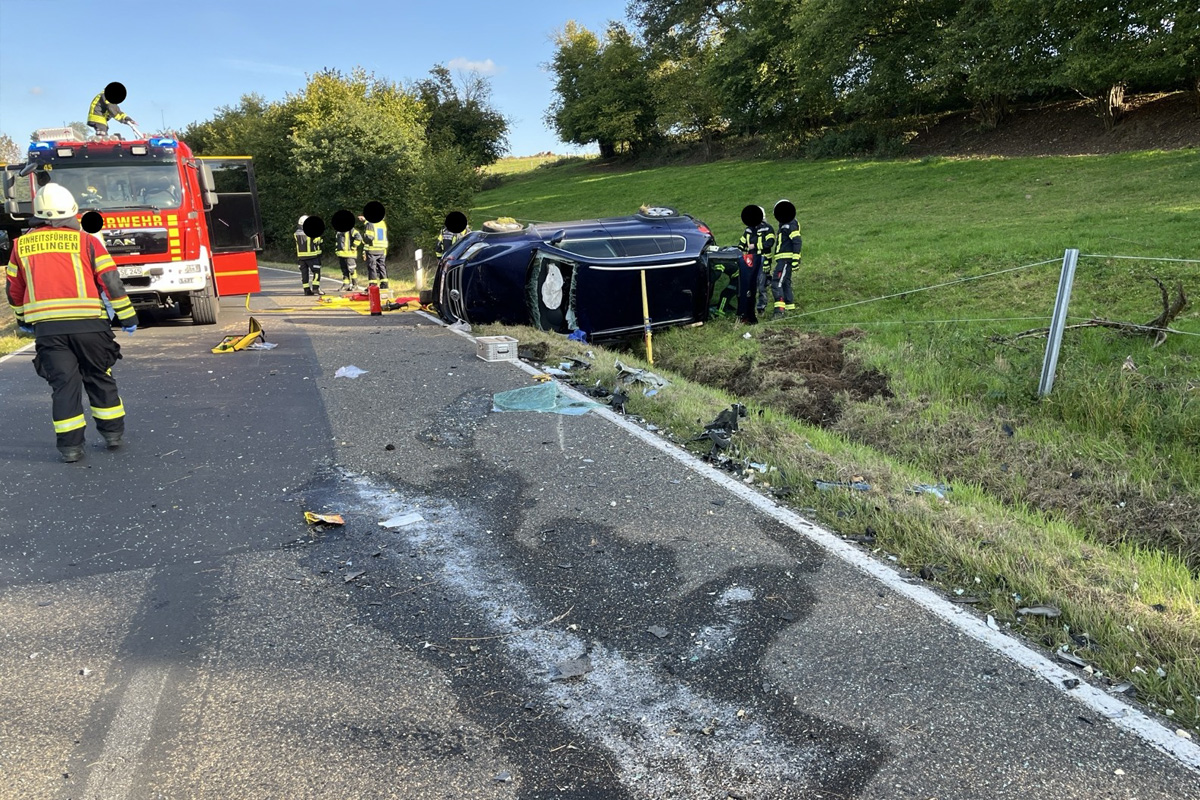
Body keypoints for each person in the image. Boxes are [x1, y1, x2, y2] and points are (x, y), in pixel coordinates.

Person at [5, 183, 138, 463]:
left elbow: (14, 289)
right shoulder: (87, 241)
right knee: (100, 376)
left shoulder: (21, 246)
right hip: (90, 326)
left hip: (49, 330)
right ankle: (113, 434)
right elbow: (110, 280)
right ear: (72, 212)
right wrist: (127, 316)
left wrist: (22, 319)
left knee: (64, 386)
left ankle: (70, 448)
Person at [736, 205, 774, 324]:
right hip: (750, 262)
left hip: (763, 261)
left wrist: (756, 246)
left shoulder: (768, 229)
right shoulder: (748, 230)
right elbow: (741, 243)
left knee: (761, 285)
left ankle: (761, 307)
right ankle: (749, 309)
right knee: (751, 286)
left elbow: (770, 243)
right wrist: (738, 251)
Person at [771, 199, 801, 318]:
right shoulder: (784, 224)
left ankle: (779, 311)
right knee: (785, 283)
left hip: (785, 259)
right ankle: (789, 307)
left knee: (776, 282)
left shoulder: (790, 224)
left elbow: (797, 241)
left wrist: (795, 259)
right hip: (783, 259)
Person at [295, 216, 324, 295]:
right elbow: (317, 241)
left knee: (304, 274)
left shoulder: (296, 233)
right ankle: (315, 288)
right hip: (312, 256)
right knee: (316, 272)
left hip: (301, 257)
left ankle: (306, 290)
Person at [360, 214, 389, 290]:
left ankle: (373, 286)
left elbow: (369, 237)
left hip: (373, 248)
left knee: (372, 267)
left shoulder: (370, 223)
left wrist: (363, 240)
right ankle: (384, 284)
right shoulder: (382, 223)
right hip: (382, 248)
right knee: (381, 266)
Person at [334, 223, 363, 291]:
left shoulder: (351, 230)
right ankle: (346, 285)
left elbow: (359, 238)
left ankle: (355, 285)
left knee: (352, 270)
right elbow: (337, 242)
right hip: (341, 254)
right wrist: (336, 250)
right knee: (344, 271)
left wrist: (354, 247)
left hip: (350, 254)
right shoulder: (338, 231)